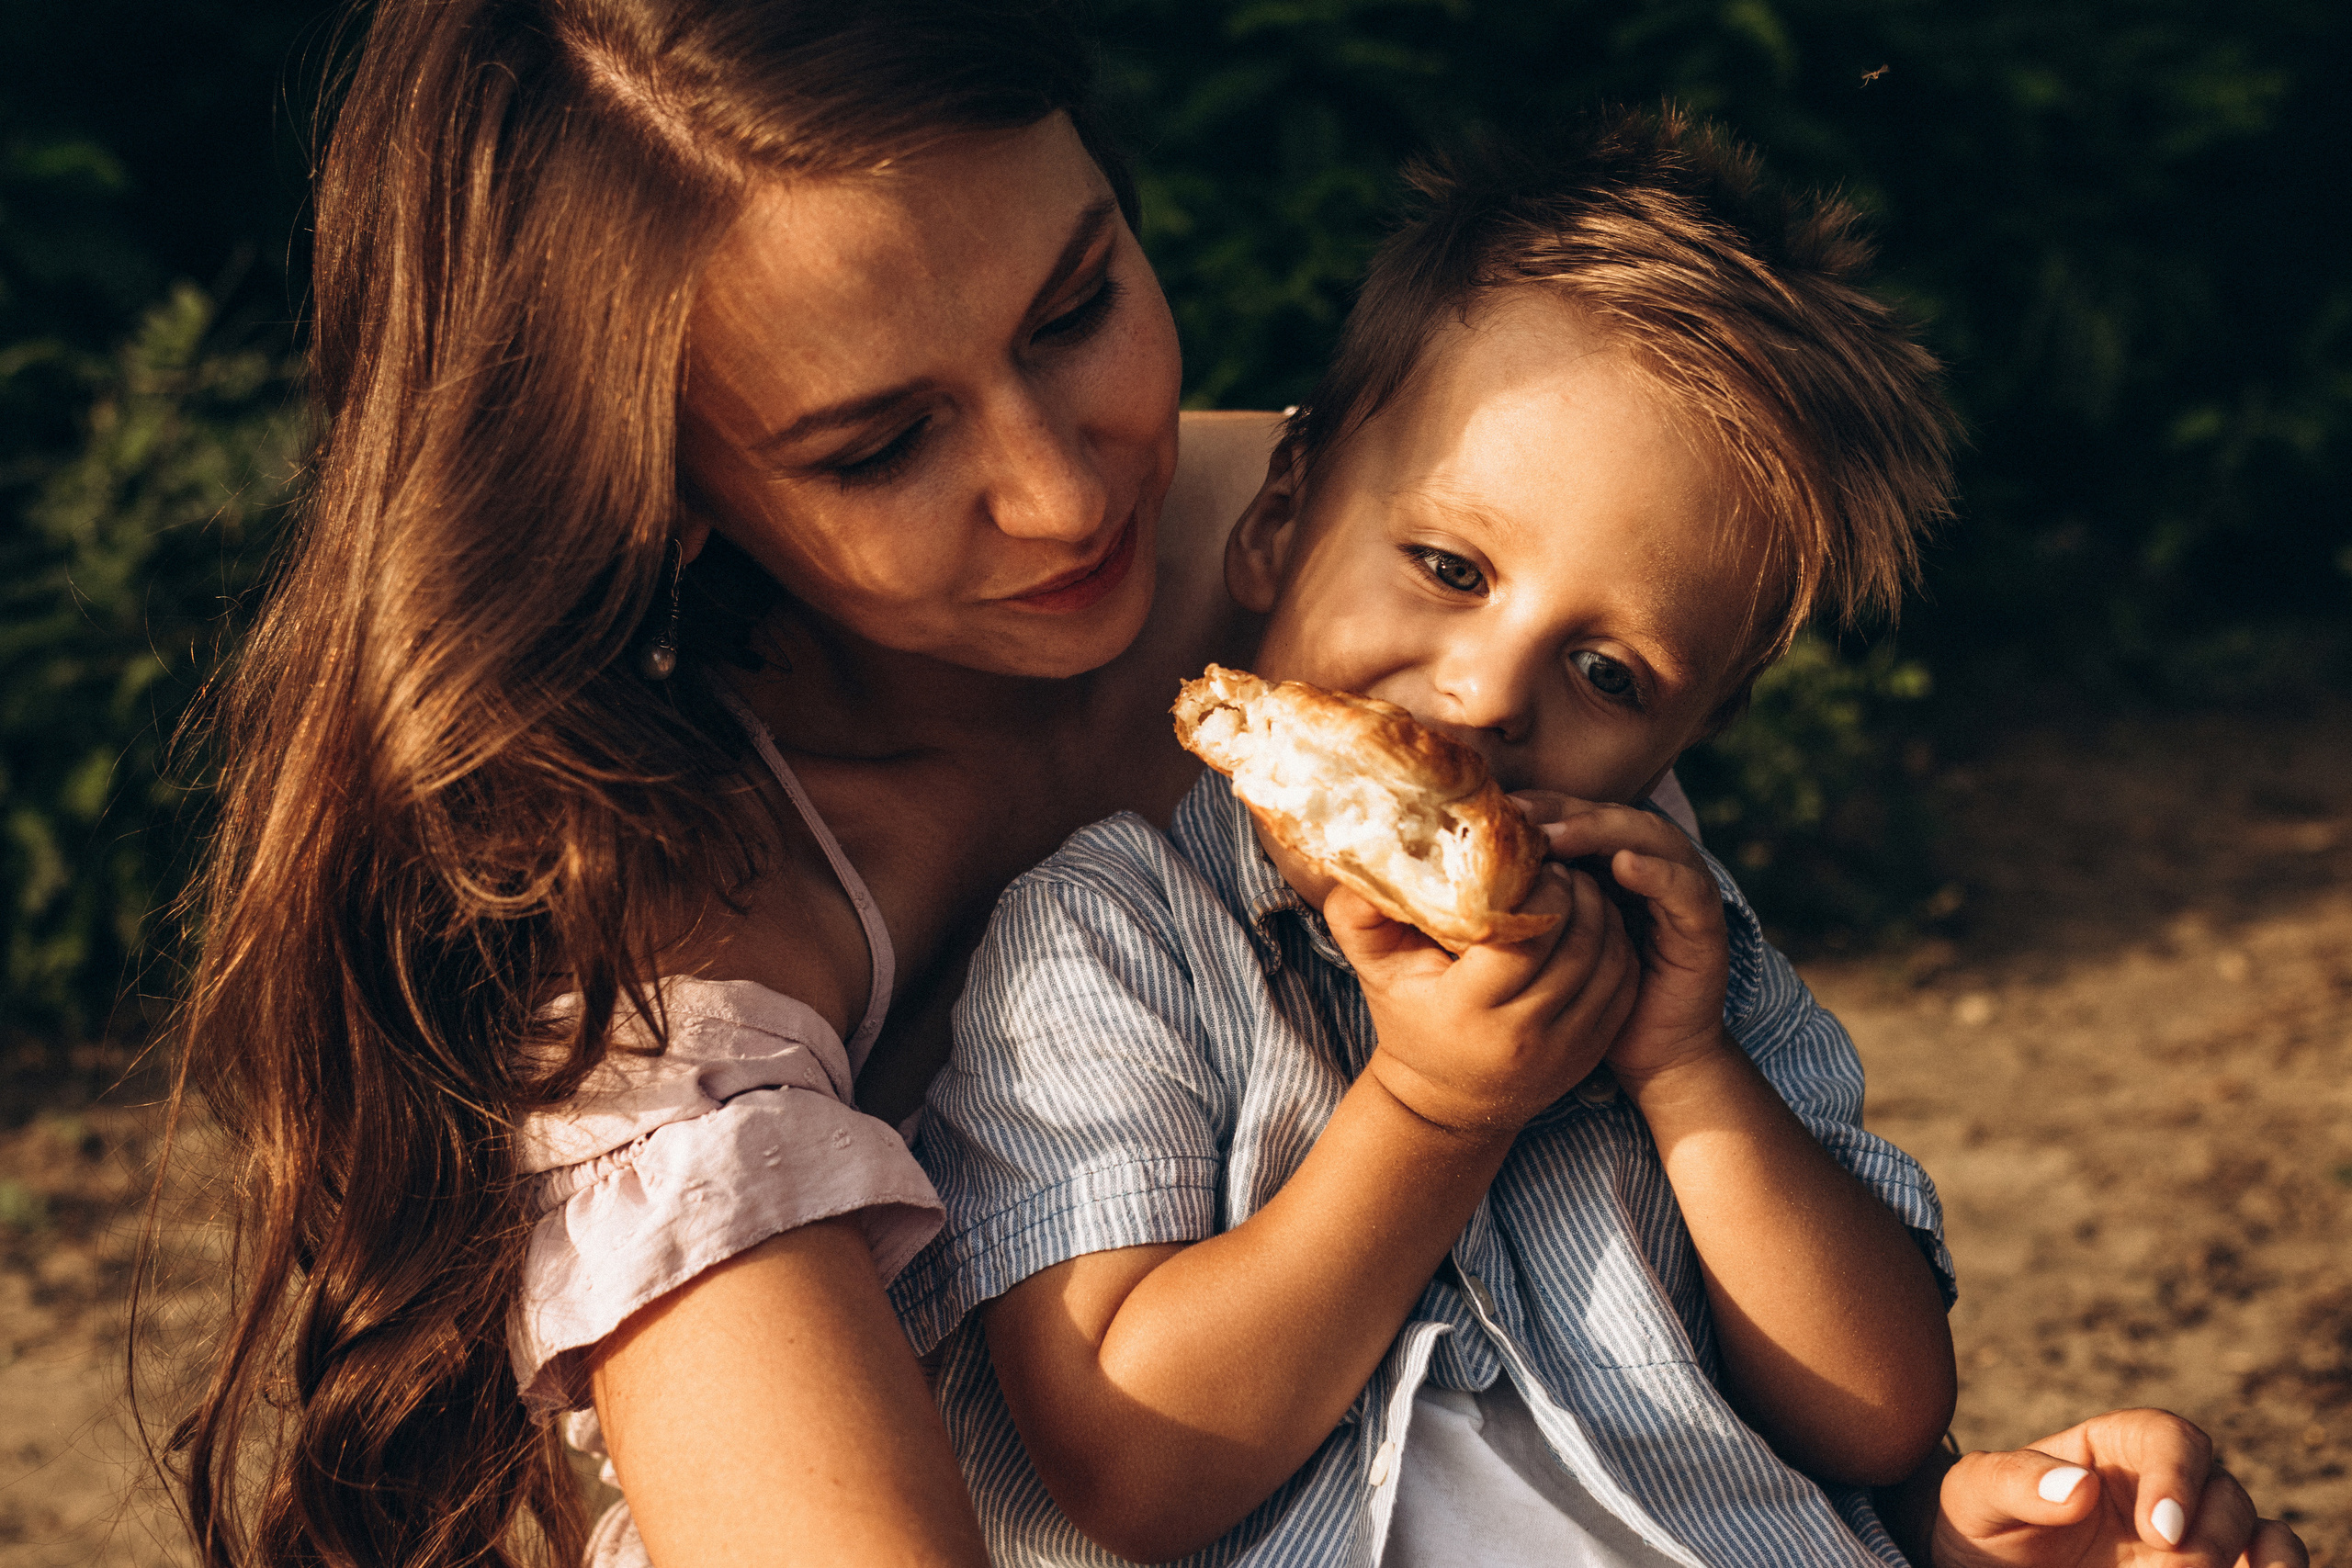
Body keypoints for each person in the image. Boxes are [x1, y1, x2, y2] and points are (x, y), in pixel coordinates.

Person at [153, 1, 2306, 1563]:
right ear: (669, 491)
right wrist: (1433, 1109)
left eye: (1077, 301)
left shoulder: (1421, 575)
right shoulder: (709, 931)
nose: (1061, 480)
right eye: (876, 443)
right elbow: (1069, 1473)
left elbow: (1803, 1393)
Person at [892, 113, 2311, 1568]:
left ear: (1683, 741)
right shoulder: (1108, 939)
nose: (1489, 694)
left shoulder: (1683, 965)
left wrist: (1691, 1077)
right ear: (1278, 518)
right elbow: (1133, 1467)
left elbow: (1879, 1415)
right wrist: (1434, 1108)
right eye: (1449, 568)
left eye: (1610, 674)